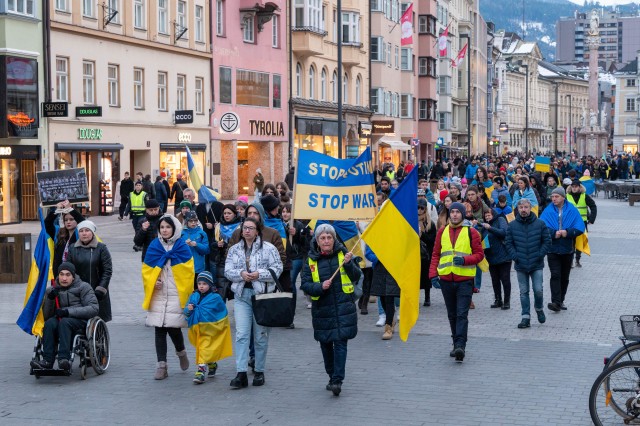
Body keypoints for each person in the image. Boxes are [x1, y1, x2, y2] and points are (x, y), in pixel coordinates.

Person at [301, 223, 361, 396]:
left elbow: (356, 276)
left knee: (341, 343)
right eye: (322, 238)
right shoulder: (311, 260)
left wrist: (349, 264)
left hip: (343, 307)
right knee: (326, 345)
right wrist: (319, 286)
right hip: (322, 310)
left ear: (334, 239)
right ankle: (331, 375)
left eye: (329, 237)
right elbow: (305, 285)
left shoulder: (344, 254)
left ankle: (337, 380)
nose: (326, 241)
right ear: (317, 241)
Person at [224, 217, 283, 389]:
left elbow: (277, 268)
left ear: (258, 231)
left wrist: (259, 274)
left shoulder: (269, 248)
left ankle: (259, 370)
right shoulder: (234, 249)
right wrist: (241, 274)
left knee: (260, 335)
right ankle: (241, 372)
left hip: (261, 297)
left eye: (251, 228)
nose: (247, 231)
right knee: (242, 334)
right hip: (242, 295)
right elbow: (227, 270)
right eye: (245, 228)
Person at [429, 202, 484, 362]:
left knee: (461, 314)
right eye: (452, 212)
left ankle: (460, 345)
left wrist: (465, 260)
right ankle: (455, 344)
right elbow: (435, 255)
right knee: (452, 315)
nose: (454, 215)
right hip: (446, 280)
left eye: (457, 212)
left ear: (462, 214)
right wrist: (433, 275)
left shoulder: (471, 232)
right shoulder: (442, 232)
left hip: (464, 281)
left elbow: (479, 255)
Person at [142, 215, 193, 380]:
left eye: (167, 227)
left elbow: (188, 272)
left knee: (173, 327)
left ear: (175, 228)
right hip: (158, 294)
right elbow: (147, 269)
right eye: (162, 227)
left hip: (176, 294)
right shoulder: (154, 245)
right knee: (159, 329)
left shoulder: (182, 247)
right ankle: (161, 366)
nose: (164, 230)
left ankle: (181, 352)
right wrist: (153, 280)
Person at [30, 262, 98, 371]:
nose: (64, 278)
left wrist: (68, 312)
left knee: (65, 322)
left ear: (73, 276)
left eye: (67, 275)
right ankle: (47, 360)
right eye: (61, 274)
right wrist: (50, 299)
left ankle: (63, 359)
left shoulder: (83, 287)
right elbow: (47, 316)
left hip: (80, 321)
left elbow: (93, 308)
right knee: (50, 323)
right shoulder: (52, 289)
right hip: (61, 320)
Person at [505, 198, 551, 328]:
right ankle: (525, 317)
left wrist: (540, 255)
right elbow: (509, 243)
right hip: (520, 264)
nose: (523, 210)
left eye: (526, 207)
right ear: (517, 209)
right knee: (523, 291)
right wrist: (515, 256)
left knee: (538, 290)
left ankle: (539, 308)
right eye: (521, 208)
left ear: (530, 208)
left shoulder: (540, 224)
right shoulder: (512, 225)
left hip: (536, 263)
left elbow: (547, 241)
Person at [539, 186, 585, 312]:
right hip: (552, 249)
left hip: (567, 249)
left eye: (556, 196)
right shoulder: (548, 210)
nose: (553, 199)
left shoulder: (572, 210)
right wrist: (554, 233)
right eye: (552, 197)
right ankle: (555, 302)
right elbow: (542, 227)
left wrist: (567, 232)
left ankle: (561, 300)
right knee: (555, 275)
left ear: (563, 197)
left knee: (564, 277)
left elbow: (580, 227)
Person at [184, 271, 233, 384]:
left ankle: (201, 371)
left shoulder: (215, 298)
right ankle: (212, 364)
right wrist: (188, 309)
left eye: (204, 284)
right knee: (204, 348)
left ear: (210, 285)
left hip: (211, 329)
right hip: (198, 329)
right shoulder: (194, 295)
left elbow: (222, 312)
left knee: (204, 348)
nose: (201, 286)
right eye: (199, 283)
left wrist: (219, 325)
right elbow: (186, 312)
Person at [67, 220, 113, 322]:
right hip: (77, 290)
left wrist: (101, 289)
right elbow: (68, 269)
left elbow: (107, 271)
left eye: (87, 230)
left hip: (96, 290)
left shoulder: (101, 248)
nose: (84, 233)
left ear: (92, 232)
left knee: (96, 320)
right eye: (81, 231)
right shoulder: (72, 248)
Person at [480, 209, 511, 310]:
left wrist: (490, 228)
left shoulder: (500, 220)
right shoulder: (484, 227)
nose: (488, 217)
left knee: (505, 279)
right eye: (486, 216)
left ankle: (507, 301)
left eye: (489, 215)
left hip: (504, 256)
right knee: (495, 280)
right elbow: (481, 238)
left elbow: (503, 233)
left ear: (493, 215)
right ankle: (498, 300)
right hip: (491, 257)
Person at [44, 200, 85, 274]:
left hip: (75, 273)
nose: (68, 222)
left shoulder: (81, 234)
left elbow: (84, 222)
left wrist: (70, 209)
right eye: (66, 220)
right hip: (59, 273)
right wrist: (55, 211)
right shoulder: (59, 233)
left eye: (71, 219)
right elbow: (47, 224)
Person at [211, 204, 242, 300]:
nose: (226, 215)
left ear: (234, 214)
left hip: (237, 261)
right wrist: (217, 245)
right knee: (221, 288)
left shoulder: (240, 226)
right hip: (222, 259)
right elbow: (212, 243)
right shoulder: (219, 226)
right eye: (225, 213)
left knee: (237, 289)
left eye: (229, 213)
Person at [566, 178, 597, 268]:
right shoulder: (567, 196)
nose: (574, 188)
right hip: (570, 223)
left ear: (579, 187)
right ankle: (571, 261)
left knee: (579, 241)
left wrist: (591, 219)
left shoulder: (584, 196)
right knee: (571, 242)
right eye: (573, 187)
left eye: (576, 187)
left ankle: (577, 260)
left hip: (582, 222)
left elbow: (593, 206)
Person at [181, 211, 210, 289]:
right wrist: (184, 244)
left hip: (198, 267)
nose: (193, 223)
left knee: (198, 290)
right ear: (187, 222)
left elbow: (206, 250)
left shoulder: (202, 233)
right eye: (191, 221)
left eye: (195, 220)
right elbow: (177, 250)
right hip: (185, 267)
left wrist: (196, 245)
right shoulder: (181, 234)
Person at [418, 198, 437, 306]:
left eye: (422, 208)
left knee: (426, 276)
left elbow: (432, 240)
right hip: (414, 253)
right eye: (418, 208)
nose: (419, 210)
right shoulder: (411, 221)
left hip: (426, 254)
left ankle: (427, 297)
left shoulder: (430, 224)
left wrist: (422, 235)